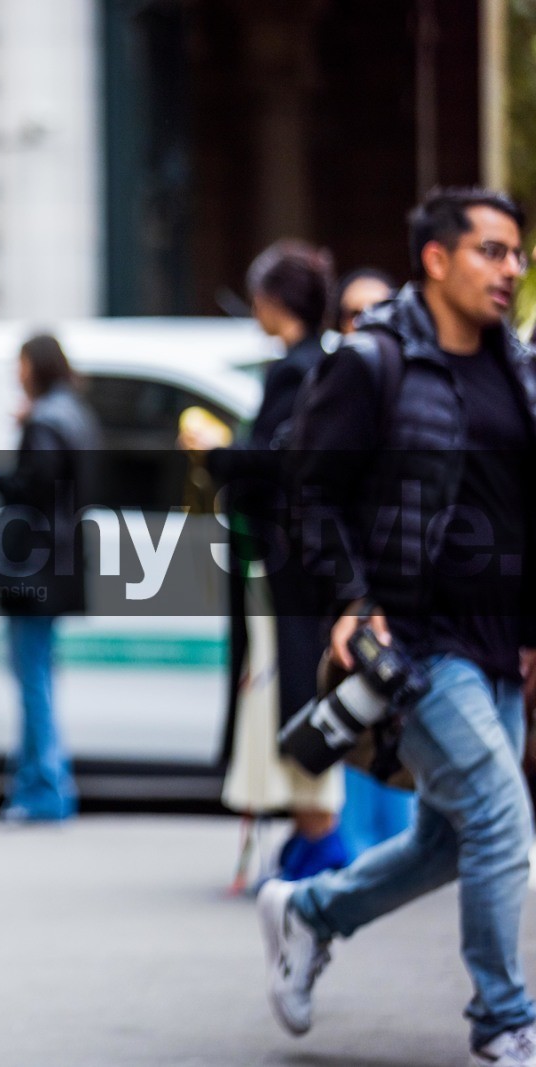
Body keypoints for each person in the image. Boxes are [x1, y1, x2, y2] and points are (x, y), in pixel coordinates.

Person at [258, 188, 536, 1067]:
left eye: (517, 253)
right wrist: (352, 597)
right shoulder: (374, 360)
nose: (511, 268)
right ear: (437, 259)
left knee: (451, 837)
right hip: (413, 640)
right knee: (500, 814)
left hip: (499, 638)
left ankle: (310, 912)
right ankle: (504, 1019)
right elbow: (309, 493)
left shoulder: (516, 367)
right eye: (492, 250)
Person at [190, 240, 348, 880]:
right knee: (292, 695)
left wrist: (215, 451)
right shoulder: (326, 365)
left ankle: (321, 846)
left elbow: (277, 462)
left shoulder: (293, 370)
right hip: (309, 563)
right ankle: (314, 845)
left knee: (290, 696)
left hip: (285, 565)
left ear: (275, 301)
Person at [0, 334, 98, 822]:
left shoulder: (45, 421)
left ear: (36, 367)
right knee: (38, 674)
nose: (16, 373)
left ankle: (44, 788)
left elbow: (27, 492)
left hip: (34, 573)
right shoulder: (76, 415)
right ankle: (35, 784)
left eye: (20, 364)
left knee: (32, 680)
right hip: (60, 568)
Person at [329, 267, 419, 858]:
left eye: (379, 310)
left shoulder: (416, 388)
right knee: (359, 723)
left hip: (410, 598)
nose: (366, 323)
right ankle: (359, 857)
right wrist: (352, 594)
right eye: (353, 314)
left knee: (405, 731)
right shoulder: (336, 386)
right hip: (355, 598)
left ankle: (393, 853)